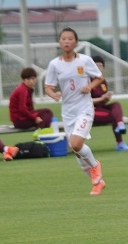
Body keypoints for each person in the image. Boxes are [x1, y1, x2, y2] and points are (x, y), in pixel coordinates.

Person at [44, 27, 106, 196]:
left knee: (77, 144)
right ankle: (97, 183)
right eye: (63, 38)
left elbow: (99, 78)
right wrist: (53, 94)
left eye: (70, 38)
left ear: (76, 42)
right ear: (59, 42)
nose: (66, 41)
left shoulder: (84, 60)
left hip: (84, 109)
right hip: (68, 112)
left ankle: (95, 166)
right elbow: (48, 86)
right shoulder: (55, 64)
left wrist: (89, 86)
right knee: (77, 152)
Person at [90, 56, 128, 151]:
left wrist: (106, 98)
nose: (98, 68)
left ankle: (120, 125)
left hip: (100, 108)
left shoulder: (102, 81)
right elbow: (84, 101)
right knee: (114, 116)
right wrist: (101, 98)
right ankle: (120, 143)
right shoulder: (87, 80)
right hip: (89, 111)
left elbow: (102, 99)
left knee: (116, 104)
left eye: (100, 66)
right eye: (95, 66)